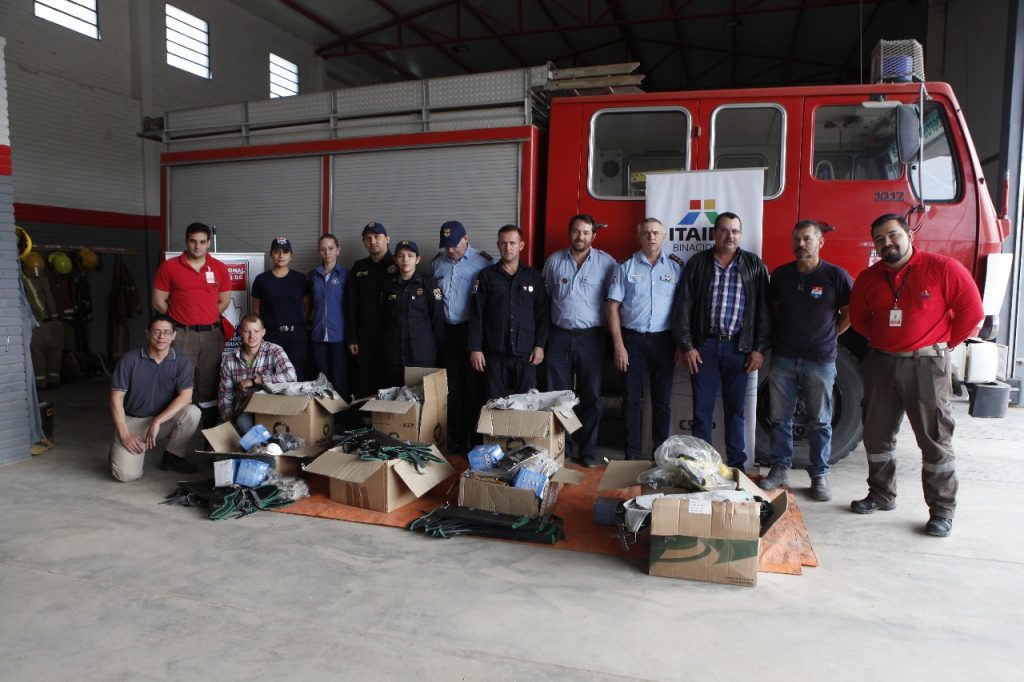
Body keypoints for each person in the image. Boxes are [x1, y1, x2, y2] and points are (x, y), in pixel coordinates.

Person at [848, 214, 983, 537]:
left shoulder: (943, 269)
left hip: (926, 366)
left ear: (909, 234)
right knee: (876, 435)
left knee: (934, 438)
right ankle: (881, 494)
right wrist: (886, 343)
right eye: (879, 239)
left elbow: (971, 313)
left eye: (892, 235)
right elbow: (860, 319)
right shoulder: (869, 278)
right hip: (881, 363)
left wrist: (940, 345)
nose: (886, 243)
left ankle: (941, 510)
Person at [758, 220, 852, 501]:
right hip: (784, 358)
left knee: (821, 421)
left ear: (820, 242)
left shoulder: (836, 276)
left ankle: (819, 474)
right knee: (779, 418)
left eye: (807, 239)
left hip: (820, 361)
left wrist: (829, 336)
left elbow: (850, 313)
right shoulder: (782, 276)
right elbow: (772, 310)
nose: (801, 244)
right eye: (797, 239)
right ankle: (779, 470)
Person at [671, 212, 771, 469]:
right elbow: (683, 307)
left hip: (740, 350)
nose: (730, 236)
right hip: (703, 348)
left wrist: (759, 349)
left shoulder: (754, 266)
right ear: (714, 234)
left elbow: (763, 311)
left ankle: (737, 466)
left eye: (735, 231)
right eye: (725, 230)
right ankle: (701, 466)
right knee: (701, 412)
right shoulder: (697, 264)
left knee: (736, 412)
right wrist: (688, 345)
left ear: (741, 234)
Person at [542, 214, 616, 467]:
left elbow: (614, 302)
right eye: (576, 231)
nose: (580, 236)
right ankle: (565, 447)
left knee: (592, 396)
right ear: (569, 233)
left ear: (593, 236)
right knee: (559, 397)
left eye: (586, 232)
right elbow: (545, 298)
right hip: (558, 336)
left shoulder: (607, 264)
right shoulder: (554, 262)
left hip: (592, 338)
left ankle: (587, 450)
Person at [607, 218, 683, 460]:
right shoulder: (625, 267)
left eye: (656, 233)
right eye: (647, 233)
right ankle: (631, 454)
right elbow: (612, 308)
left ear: (664, 237)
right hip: (632, 341)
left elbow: (683, 310)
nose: (651, 237)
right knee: (631, 400)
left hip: (664, 341)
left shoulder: (676, 268)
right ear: (639, 237)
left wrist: (681, 344)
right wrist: (619, 345)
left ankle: (660, 456)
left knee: (662, 401)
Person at [109, 315, 201, 482]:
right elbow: (116, 399)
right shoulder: (129, 360)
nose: (161, 337)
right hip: (134, 422)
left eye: (166, 332)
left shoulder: (181, 361)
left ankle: (173, 457)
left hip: (163, 421)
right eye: (157, 332)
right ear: (147, 333)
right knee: (125, 475)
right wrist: (124, 435)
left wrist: (158, 421)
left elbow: (186, 397)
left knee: (192, 412)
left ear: (174, 335)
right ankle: (118, 449)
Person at [151, 222, 231, 413]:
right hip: (181, 334)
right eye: (193, 241)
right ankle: (178, 429)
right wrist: (178, 322)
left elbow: (224, 302)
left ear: (208, 243)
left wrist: (206, 316)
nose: (198, 246)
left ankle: (208, 437)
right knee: (179, 381)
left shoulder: (219, 268)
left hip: (212, 335)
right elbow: (158, 302)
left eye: (202, 242)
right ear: (186, 241)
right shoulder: (169, 267)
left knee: (211, 383)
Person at [469, 225, 550, 399]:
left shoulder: (533, 277)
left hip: (526, 354)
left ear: (521, 245)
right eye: (504, 243)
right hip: (495, 353)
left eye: (512, 243)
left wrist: (540, 345)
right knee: (495, 403)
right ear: (498, 245)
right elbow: (477, 315)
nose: (508, 248)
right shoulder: (486, 276)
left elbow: (543, 314)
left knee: (527, 403)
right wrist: (475, 348)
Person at [432, 220, 492, 453]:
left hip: (471, 332)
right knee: (452, 389)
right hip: (447, 333)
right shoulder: (438, 264)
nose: (450, 250)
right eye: (446, 245)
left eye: (455, 244)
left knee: (473, 387)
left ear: (466, 238)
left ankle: (475, 438)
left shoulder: (483, 262)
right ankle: (456, 439)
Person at [380, 241, 445, 387]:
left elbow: (438, 319)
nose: (405, 260)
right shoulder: (388, 285)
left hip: (421, 355)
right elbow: (384, 318)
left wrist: (433, 348)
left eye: (410, 256)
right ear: (395, 260)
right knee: (396, 401)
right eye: (401, 256)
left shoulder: (429, 283)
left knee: (422, 401)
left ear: (417, 259)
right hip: (395, 355)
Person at [218, 314, 297, 432]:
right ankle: (260, 446)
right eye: (247, 331)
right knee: (241, 422)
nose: (252, 336)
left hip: (271, 408)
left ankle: (267, 446)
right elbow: (225, 396)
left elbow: (291, 376)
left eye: (256, 331)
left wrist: (255, 380)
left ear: (263, 332)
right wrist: (229, 421)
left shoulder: (274, 350)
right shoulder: (230, 360)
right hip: (244, 411)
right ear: (240, 332)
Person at [347, 222, 394, 396]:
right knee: (364, 380)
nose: (373, 241)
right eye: (368, 238)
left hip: (391, 336)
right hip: (364, 336)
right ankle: (366, 422)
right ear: (364, 242)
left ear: (387, 239)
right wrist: (352, 337)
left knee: (389, 380)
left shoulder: (398, 264)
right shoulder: (359, 267)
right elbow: (351, 304)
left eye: (377, 237)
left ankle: (387, 421)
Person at [251, 237, 310, 379]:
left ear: (291, 255)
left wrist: (298, 325)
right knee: (272, 376)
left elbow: (307, 307)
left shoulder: (300, 279)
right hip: (272, 336)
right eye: (277, 251)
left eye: (285, 252)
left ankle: (296, 403)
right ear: (271, 254)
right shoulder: (261, 280)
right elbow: (256, 311)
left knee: (296, 375)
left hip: (296, 336)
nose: (281, 255)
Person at [309, 234, 349, 398]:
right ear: (319, 252)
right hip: (318, 335)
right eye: (323, 249)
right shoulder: (312, 276)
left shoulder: (346, 275)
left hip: (339, 335)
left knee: (340, 379)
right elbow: (308, 303)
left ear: (338, 250)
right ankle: (324, 419)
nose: (327, 252)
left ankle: (342, 418)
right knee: (321, 380)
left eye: (331, 248)